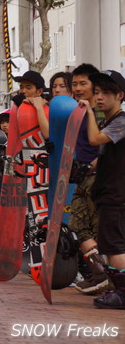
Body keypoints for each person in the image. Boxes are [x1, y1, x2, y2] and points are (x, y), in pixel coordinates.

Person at [80, 70, 125, 309]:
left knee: (114, 246)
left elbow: (95, 140)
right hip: (110, 193)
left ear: (120, 95)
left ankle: (122, 293)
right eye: (96, 92)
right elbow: (105, 154)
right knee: (112, 244)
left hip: (116, 195)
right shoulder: (112, 121)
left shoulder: (121, 121)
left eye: (106, 93)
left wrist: (87, 112)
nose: (99, 98)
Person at [69, 63, 108, 294]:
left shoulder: (102, 112)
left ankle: (107, 277)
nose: (78, 88)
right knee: (77, 225)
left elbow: (105, 148)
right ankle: (100, 273)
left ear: (95, 86)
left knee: (99, 230)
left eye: (83, 83)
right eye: (75, 84)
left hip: (99, 179)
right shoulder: (78, 111)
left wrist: (91, 167)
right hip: (81, 177)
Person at [14, 70, 49, 139]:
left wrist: (39, 108)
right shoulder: (17, 105)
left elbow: (47, 135)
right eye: (21, 87)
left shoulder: (48, 109)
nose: (23, 91)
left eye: (28, 88)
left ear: (39, 91)